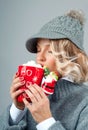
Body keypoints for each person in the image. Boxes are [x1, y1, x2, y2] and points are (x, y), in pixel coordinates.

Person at [0, 9, 88, 130]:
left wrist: (45, 121)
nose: (39, 58)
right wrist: (17, 109)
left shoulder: (85, 100)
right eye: (38, 49)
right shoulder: (33, 93)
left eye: (50, 51)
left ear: (69, 56)